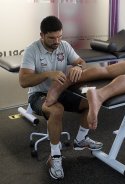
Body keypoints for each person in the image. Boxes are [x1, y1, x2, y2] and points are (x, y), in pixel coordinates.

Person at [18, 15, 103, 180]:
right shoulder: (31, 50)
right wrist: (48, 74)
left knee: (90, 102)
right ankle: (55, 156)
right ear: (42, 35)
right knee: (57, 110)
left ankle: (81, 139)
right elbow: (23, 81)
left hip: (61, 90)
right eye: (51, 38)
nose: (56, 41)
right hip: (38, 95)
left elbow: (81, 62)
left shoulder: (64, 46)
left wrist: (78, 67)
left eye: (59, 36)